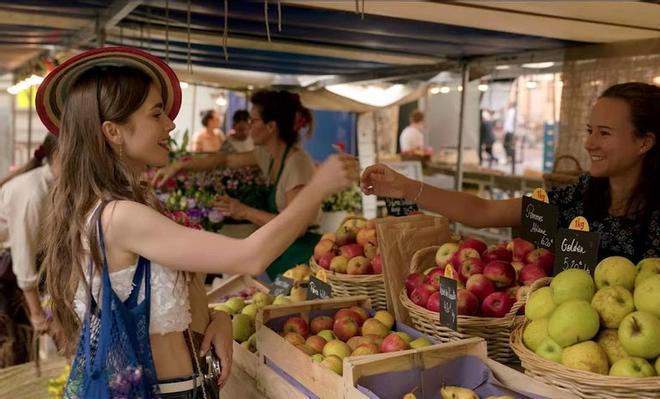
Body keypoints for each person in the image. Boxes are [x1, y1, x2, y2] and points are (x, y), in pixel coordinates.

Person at [37, 47, 358, 397]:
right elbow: (249, 257)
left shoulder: (123, 206)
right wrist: (317, 189)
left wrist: (218, 319)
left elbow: (162, 311)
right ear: (113, 132)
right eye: (156, 114)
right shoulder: (122, 216)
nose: (170, 124)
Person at [361, 82, 659, 262]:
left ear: (645, 142)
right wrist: (407, 188)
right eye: (590, 130)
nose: (589, 143)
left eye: (604, 133)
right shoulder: (578, 197)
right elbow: (484, 211)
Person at [153, 90, 322, 280]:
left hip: (301, 257)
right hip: (283, 253)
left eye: (253, 121)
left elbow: (296, 227)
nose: (249, 127)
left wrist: (243, 211)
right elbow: (225, 160)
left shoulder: (297, 163)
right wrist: (179, 165)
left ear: (271, 126)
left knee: (292, 307)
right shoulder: (267, 155)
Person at [0, 134, 58, 366]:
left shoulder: (55, 187)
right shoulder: (31, 191)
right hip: (9, 275)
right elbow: (22, 256)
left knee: (22, 354)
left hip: (21, 274)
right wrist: (37, 314)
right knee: (11, 351)